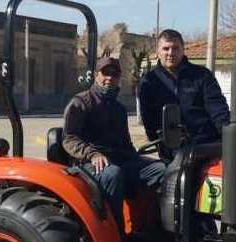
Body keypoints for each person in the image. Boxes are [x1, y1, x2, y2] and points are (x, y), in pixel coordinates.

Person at [63, 57, 166, 232]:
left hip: (119, 159)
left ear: (119, 78)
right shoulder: (81, 102)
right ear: (96, 75)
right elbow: (69, 139)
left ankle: (153, 229)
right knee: (113, 174)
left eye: (114, 74)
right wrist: (92, 154)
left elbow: (125, 143)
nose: (109, 78)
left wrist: (137, 158)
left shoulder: (119, 109)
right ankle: (114, 234)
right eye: (105, 73)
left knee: (164, 170)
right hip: (89, 163)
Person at [139, 29, 230, 156]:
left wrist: (230, 138)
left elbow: (219, 111)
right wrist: (161, 144)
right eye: (166, 49)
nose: (170, 53)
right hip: (172, 149)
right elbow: (149, 119)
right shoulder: (149, 81)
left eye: (175, 48)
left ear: (183, 50)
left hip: (205, 145)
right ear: (158, 52)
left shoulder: (202, 75)